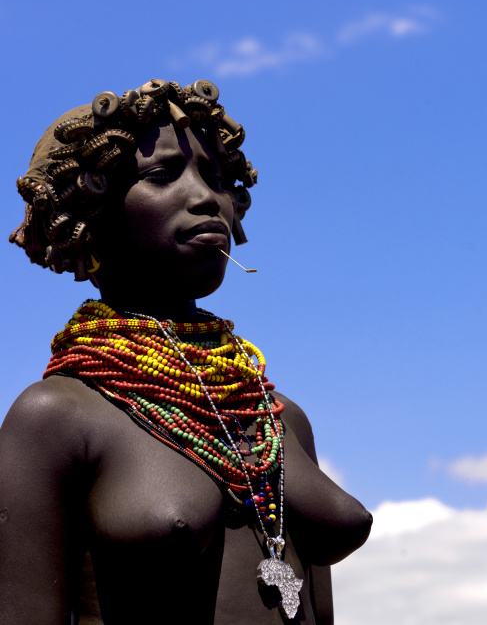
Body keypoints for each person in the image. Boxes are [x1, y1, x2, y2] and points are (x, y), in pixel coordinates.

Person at [1, 78, 372, 624]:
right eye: (162, 174)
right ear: (93, 209)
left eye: (217, 178)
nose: (206, 198)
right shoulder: (56, 417)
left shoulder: (276, 414)